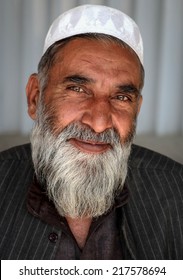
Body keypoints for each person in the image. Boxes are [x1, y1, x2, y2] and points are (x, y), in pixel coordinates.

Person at [0, 4, 183, 260]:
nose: (99, 123)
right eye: (78, 90)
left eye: (121, 97)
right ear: (35, 97)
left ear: (137, 110)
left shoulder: (176, 190)